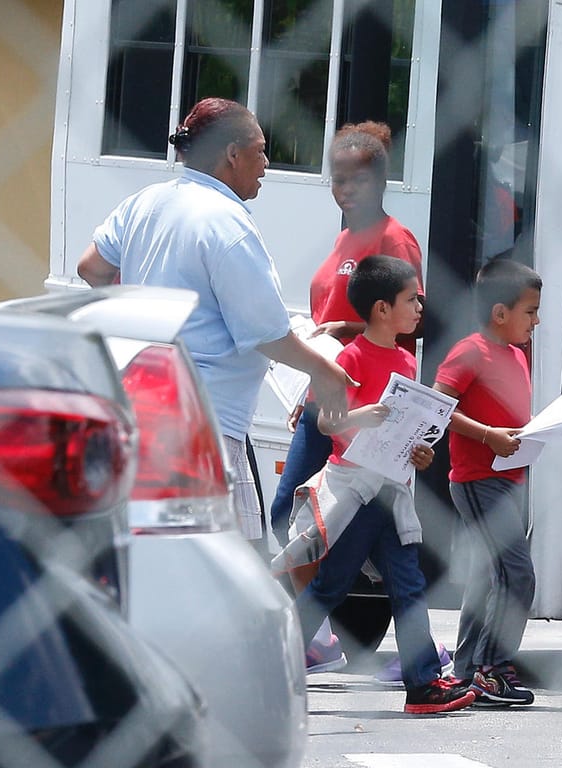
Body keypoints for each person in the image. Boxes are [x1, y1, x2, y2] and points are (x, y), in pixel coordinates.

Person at [76, 97, 354, 542]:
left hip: (141, 405)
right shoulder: (227, 223)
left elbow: (91, 267)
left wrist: (139, 318)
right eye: (261, 150)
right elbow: (266, 334)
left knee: (161, 556)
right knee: (229, 566)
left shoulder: (146, 202)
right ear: (232, 154)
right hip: (203, 422)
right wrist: (325, 370)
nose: (266, 163)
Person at [264, 121, 428, 673]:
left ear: (380, 181)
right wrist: (309, 380)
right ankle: (323, 634)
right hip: (324, 393)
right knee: (292, 512)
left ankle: (321, 636)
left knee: (332, 517)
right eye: (337, 180)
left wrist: (343, 331)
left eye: (356, 180)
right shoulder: (340, 239)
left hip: (363, 404)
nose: (345, 190)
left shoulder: (393, 238)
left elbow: (409, 323)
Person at [277, 255, 474, 715]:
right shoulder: (351, 357)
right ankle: (274, 667)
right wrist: (361, 417)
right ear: (382, 309)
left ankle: (423, 686)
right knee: (330, 585)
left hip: (393, 488)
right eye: (411, 299)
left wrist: (420, 450)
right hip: (357, 492)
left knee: (408, 583)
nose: (420, 306)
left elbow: (407, 428)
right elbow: (327, 423)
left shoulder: (406, 358)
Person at [432, 258, 542, 706]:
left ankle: (466, 669)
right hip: (479, 481)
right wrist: (487, 435)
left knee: (488, 576)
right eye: (530, 311)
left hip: (510, 481)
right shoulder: (471, 351)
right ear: (500, 313)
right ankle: (492, 670)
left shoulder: (516, 353)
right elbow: (437, 405)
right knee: (517, 576)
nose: (537, 321)